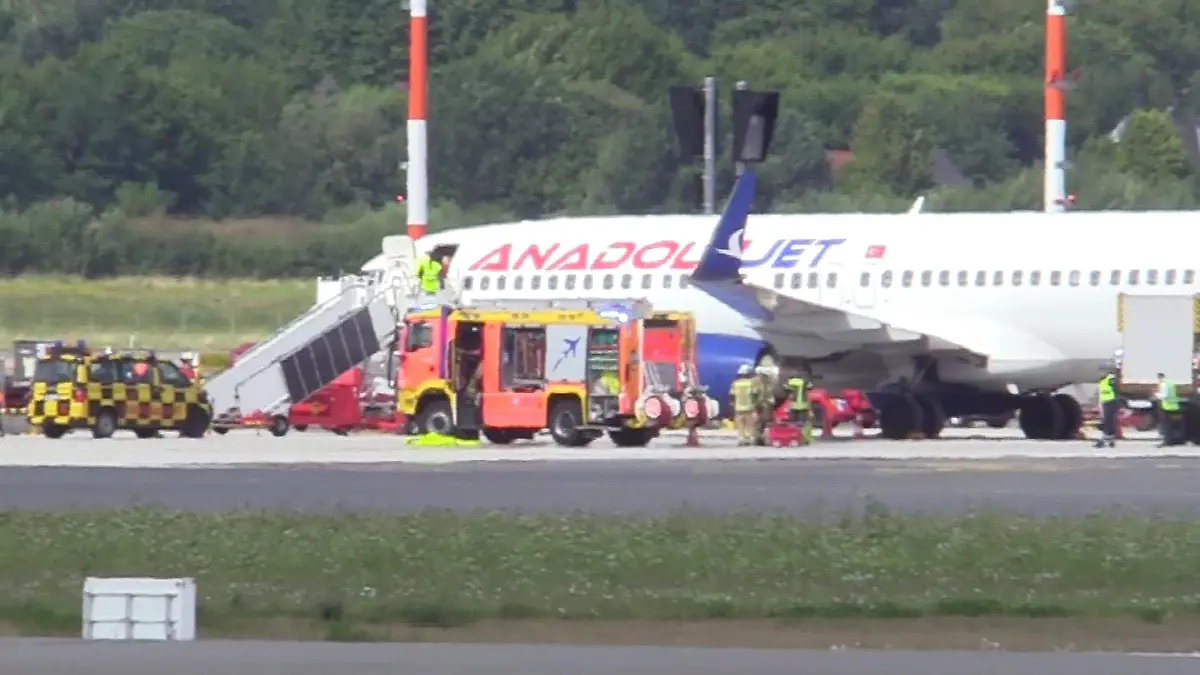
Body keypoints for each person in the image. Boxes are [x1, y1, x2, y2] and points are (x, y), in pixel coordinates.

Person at [729, 364, 760, 446]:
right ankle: (750, 439)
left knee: (740, 425)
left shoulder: (735, 383)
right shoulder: (752, 383)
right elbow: (755, 394)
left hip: (738, 407)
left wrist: (732, 405)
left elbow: (732, 395)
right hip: (749, 407)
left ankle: (741, 439)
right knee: (750, 425)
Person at [1155, 371, 1182, 447]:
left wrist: (1156, 395)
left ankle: (1167, 441)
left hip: (1166, 407)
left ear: (1160, 377)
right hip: (1173, 406)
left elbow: (1164, 395)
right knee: (1171, 425)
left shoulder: (1163, 384)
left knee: (1166, 425)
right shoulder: (1170, 383)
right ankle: (1171, 441)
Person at [1094, 369, 1118, 448]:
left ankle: (1104, 440)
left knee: (1107, 421)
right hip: (1105, 402)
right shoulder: (1103, 381)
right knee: (1108, 421)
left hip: (1110, 402)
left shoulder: (1110, 379)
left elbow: (1115, 389)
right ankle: (1110, 440)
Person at [786, 373, 812, 444]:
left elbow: (786, 388)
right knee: (801, 424)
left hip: (793, 406)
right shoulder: (804, 382)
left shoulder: (791, 382)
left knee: (792, 423)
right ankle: (801, 439)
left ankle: (792, 438)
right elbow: (810, 387)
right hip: (803, 406)